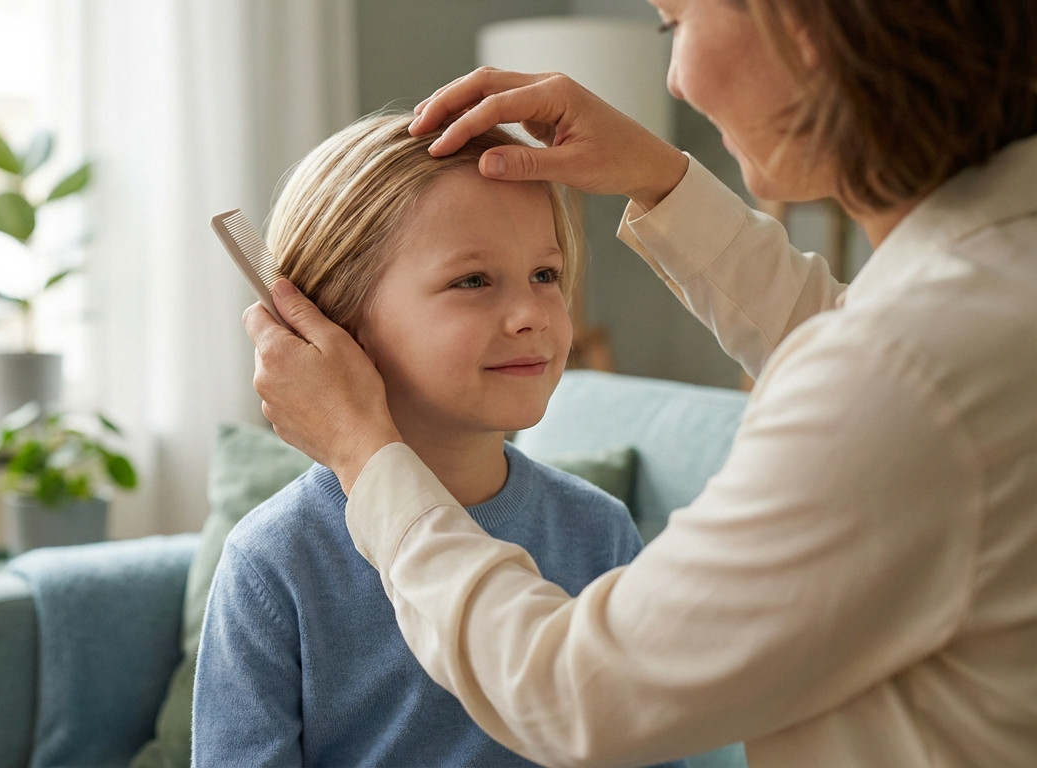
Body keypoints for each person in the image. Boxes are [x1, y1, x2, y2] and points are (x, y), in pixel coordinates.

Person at [241, 0, 1037, 766]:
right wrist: (659, 179)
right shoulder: (977, 304)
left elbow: (573, 696)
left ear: (807, 27)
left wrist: (364, 452)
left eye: (676, 21)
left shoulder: (911, 368)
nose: (676, 81)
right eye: (473, 281)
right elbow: (854, 334)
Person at [192, 113, 687, 768]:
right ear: (331, 327)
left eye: (545, 274)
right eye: (473, 281)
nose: (531, 315)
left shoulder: (599, 531)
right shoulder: (274, 563)